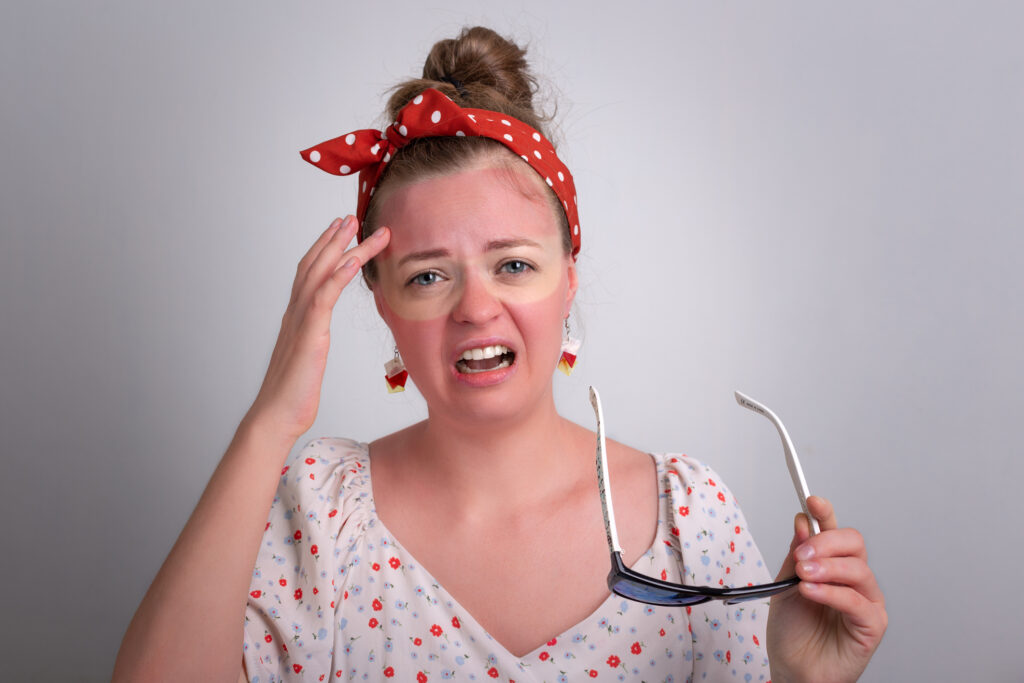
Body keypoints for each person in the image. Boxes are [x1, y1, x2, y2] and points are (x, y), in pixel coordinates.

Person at [113, 26, 886, 683]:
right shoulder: (323, 509)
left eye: (514, 264)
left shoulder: (690, 518)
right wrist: (270, 420)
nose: (477, 307)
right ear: (382, 305)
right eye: (427, 276)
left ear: (568, 280)